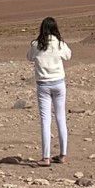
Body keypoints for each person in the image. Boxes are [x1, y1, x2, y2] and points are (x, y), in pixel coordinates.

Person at [27, 17, 71, 166]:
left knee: (46, 120)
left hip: (43, 85)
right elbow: (68, 55)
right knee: (60, 118)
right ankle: (63, 154)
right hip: (59, 84)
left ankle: (46, 157)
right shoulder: (60, 44)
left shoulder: (36, 44)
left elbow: (30, 57)